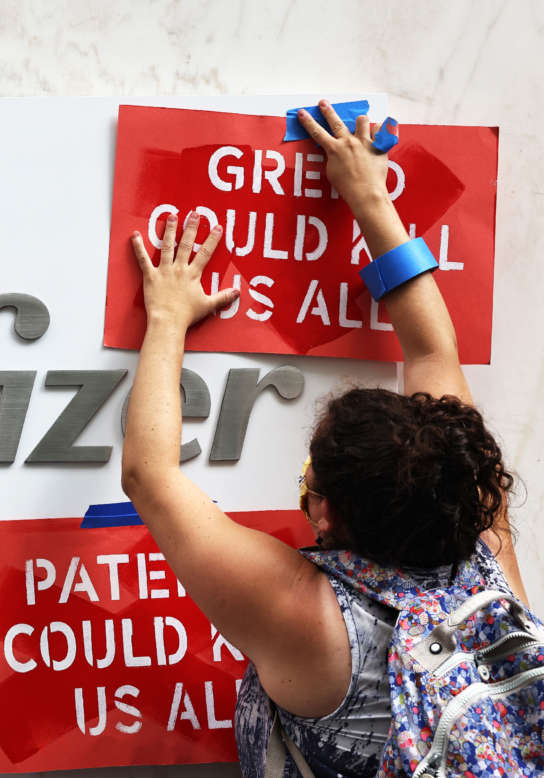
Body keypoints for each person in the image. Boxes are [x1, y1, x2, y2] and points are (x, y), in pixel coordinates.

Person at [119, 100, 529, 777]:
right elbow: (433, 351)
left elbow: (148, 477)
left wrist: (166, 316)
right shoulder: (484, 541)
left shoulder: (308, 618)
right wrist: (370, 195)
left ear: (326, 513)